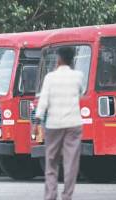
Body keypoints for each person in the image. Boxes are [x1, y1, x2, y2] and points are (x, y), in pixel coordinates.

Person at [34, 47, 84, 200]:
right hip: (74, 124)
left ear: (59, 59)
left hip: (54, 125)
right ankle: (67, 196)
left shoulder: (50, 77)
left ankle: (50, 196)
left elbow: (44, 100)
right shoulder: (78, 76)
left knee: (51, 162)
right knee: (71, 162)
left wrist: (37, 120)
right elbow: (81, 93)